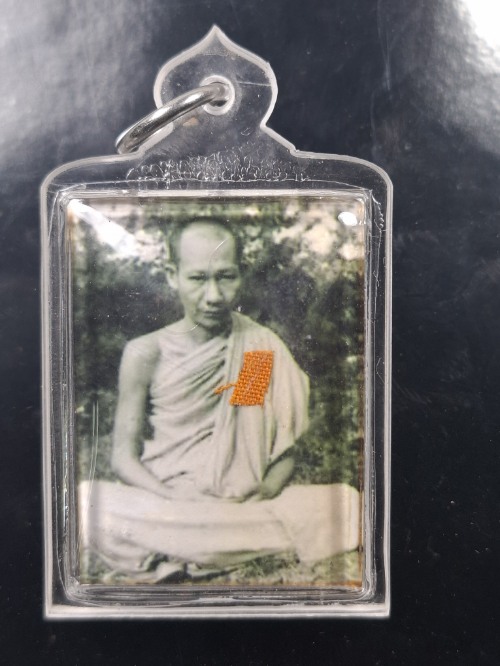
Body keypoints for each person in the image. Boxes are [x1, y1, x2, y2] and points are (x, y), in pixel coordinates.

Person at [79, 218, 359, 582]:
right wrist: (172, 498)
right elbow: (123, 458)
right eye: (198, 278)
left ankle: (180, 548)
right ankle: (221, 544)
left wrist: (266, 491)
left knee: (346, 502)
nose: (213, 295)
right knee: (85, 500)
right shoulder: (147, 353)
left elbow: (264, 446)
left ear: (241, 274)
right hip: (165, 499)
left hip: (238, 503)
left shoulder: (253, 349)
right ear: (172, 275)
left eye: (225, 277)